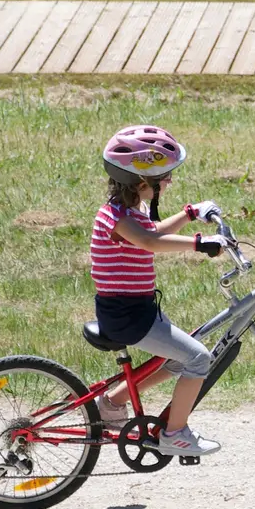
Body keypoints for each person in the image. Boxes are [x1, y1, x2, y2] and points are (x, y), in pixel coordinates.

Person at [91, 125, 229, 457]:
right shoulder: (117, 220)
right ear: (142, 183)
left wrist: (190, 214)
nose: (169, 182)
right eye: (164, 177)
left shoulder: (126, 213)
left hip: (137, 311)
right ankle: (175, 434)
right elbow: (151, 242)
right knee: (198, 358)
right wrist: (199, 244)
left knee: (175, 361)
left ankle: (112, 402)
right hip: (128, 317)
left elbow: (153, 231)